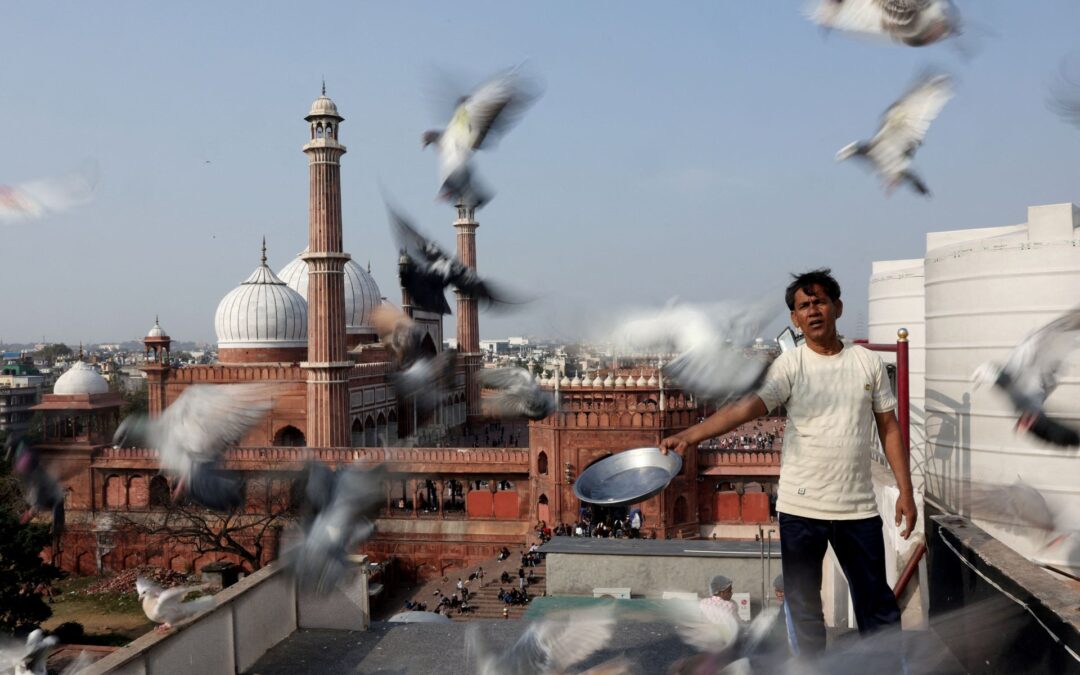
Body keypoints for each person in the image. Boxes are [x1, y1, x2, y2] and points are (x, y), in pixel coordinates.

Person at [661, 269, 915, 661]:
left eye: (819, 302)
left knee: (876, 605)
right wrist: (690, 436)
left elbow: (889, 428)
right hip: (801, 508)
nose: (812, 311)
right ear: (795, 319)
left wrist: (905, 492)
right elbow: (745, 409)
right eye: (803, 306)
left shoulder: (867, 363)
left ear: (837, 308)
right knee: (804, 607)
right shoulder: (790, 366)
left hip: (856, 508)